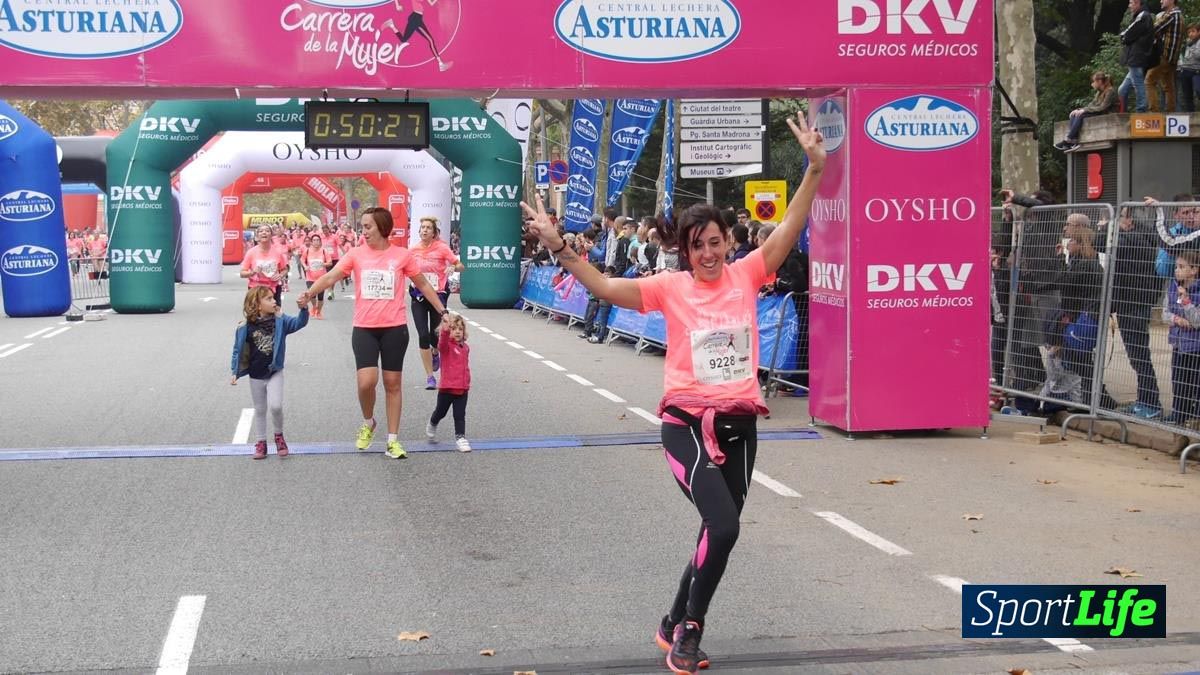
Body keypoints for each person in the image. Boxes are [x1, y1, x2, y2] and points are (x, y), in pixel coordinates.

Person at [520, 110, 825, 675]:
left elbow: (789, 227)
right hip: (685, 425)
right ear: (684, 250)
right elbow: (607, 286)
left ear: (729, 241)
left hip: (740, 426)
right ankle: (690, 630)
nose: (708, 253)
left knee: (718, 530)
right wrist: (561, 247)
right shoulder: (669, 287)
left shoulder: (749, 273)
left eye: (715, 242)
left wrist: (814, 169)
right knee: (726, 526)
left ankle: (670, 620)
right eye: (697, 246)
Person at [299, 208, 449, 459]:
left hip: (394, 328)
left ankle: (392, 440)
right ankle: (369, 422)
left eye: (368, 226)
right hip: (365, 328)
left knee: (392, 384)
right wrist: (309, 293)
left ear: (381, 226)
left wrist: (442, 311)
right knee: (366, 382)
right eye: (363, 227)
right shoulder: (356, 254)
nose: (363, 231)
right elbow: (332, 276)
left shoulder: (401, 255)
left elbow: (421, 283)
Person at [230, 287, 309, 459]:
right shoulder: (245, 327)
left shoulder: (280, 321)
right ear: (257, 305)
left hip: (274, 372)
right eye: (268, 299)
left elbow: (299, 323)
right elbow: (237, 350)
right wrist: (234, 371)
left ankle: (279, 436)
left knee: (276, 406)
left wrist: (303, 309)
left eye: (273, 298)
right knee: (260, 409)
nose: (274, 301)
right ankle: (261, 443)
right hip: (255, 375)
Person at [410, 216, 464, 390]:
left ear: (434, 233)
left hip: (437, 295)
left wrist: (453, 267)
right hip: (418, 295)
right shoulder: (414, 250)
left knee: (435, 335)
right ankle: (430, 377)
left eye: (428, 228)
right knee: (423, 335)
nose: (424, 230)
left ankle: (435, 351)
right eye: (422, 228)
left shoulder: (442, 248)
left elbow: (461, 265)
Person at [425, 312, 472, 452]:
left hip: (462, 388)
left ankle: (460, 438)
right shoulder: (446, 348)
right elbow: (442, 341)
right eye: (453, 328)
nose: (457, 332)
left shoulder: (466, 347)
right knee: (440, 412)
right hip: (447, 388)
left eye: (460, 329)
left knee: (460, 415)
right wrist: (445, 329)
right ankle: (433, 422)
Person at [1166, 250, 1200, 423]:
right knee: (1178, 385)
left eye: (1181, 267)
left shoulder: (1197, 290)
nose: (1177, 270)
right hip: (1178, 344)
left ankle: (1193, 425)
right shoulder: (1173, 286)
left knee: (1192, 386)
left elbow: (1197, 321)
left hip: (1194, 347)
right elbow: (1165, 313)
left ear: (1194, 270)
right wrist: (1176, 319)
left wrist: (1186, 301)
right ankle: (1178, 425)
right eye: (1176, 267)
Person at [380, 0, 453, 72]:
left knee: (403, 39)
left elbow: (431, 3)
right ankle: (441, 64)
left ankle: (391, 25)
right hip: (416, 19)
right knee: (430, 40)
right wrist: (397, 5)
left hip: (416, 18)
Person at [1056, 72, 1118, 150]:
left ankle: (1068, 139)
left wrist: (1084, 111)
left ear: (1099, 82)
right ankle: (1073, 141)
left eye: (1093, 81)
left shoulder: (1110, 91)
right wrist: (1080, 110)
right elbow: (1092, 104)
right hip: (1099, 112)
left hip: (1106, 114)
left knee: (1081, 115)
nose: (1092, 84)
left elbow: (1103, 107)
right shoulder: (1099, 93)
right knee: (1075, 114)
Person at [1118, 0, 1157, 114]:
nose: (1129, 6)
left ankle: (1141, 110)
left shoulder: (1143, 16)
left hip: (1137, 56)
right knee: (1122, 90)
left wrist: (1124, 38)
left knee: (1138, 83)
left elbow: (1127, 34)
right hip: (1135, 57)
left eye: (1131, 3)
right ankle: (1122, 113)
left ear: (1138, 3)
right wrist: (1125, 37)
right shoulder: (1138, 16)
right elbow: (1127, 33)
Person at [1147, 0, 1184, 112]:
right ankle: (1170, 113)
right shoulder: (1179, 15)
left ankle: (1154, 113)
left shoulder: (1172, 15)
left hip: (1165, 56)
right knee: (1168, 86)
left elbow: (1152, 29)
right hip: (1173, 58)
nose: (1161, 1)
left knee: (1149, 80)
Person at [241, 225, 288, 305]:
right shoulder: (251, 252)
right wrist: (252, 272)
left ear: (271, 235)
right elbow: (242, 273)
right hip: (255, 289)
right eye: (261, 231)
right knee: (255, 315)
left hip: (273, 288)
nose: (264, 233)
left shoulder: (278, 252)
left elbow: (285, 269)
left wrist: (280, 275)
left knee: (274, 315)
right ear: (257, 236)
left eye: (267, 231)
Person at [301, 233, 330, 319]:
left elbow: (330, 262)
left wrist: (323, 264)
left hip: (321, 278)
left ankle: (319, 312)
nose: (316, 242)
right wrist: (305, 266)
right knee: (311, 294)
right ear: (311, 242)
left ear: (320, 242)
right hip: (310, 277)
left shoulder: (324, 251)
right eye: (314, 240)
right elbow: (302, 259)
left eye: (318, 240)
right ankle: (314, 307)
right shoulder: (307, 251)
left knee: (320, 296)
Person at [1176, 23, 1200, 112]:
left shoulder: (1196, 42)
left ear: (1198, 32)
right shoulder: (1188, 42)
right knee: (1187, 96)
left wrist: (1190, 46)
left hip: (1196, 71)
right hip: (1186, 70)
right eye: (1189, 32)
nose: (1190, 34)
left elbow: (1198, 55)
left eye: (1193, 31)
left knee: (1198, 90)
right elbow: (1186, 57)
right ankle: (1191, 115)